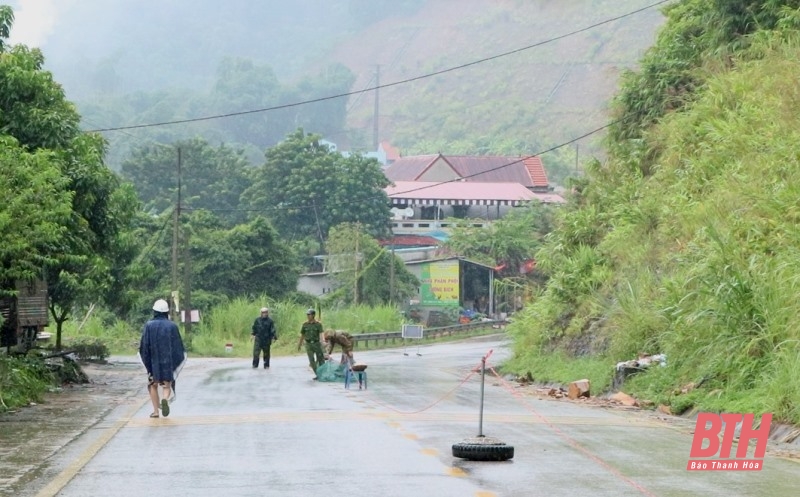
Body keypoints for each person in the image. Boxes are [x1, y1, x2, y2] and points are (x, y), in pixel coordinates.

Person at [139, 299, 186, 418]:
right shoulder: (172, 326)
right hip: (168, 362)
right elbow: (178, 347)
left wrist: (147, 363)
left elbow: (144, 346)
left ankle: (155, 412)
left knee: (152, 385)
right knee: (166, 385)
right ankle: (165, 399)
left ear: (154, 311)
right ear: (166, 312)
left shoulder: (149, 325)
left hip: (153, 362)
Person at [297, 308, 324, 380]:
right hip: (308, 344)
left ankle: (322, 373)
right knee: (311, 360)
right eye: (307, 314)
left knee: (321, 359)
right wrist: (299, 344)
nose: (308, 316)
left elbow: (321, 334)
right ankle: (317, 374)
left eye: (309, 314)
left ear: (313, 315)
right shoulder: (305, 325)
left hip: (316, 343)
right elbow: (302, 335)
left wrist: (323, 341)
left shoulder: (318, 324)